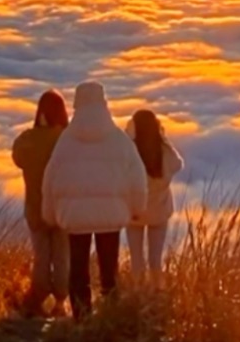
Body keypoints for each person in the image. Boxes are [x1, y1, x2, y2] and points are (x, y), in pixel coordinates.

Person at [40, 80, 148, 319]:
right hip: (111, 215)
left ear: (77, 104)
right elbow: (137, 176)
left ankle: (82, 318)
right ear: (104, 102)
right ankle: (110, 317)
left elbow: (50, 179)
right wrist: (137, 208)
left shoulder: (66, 141)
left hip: (75, 217)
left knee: (78, 271)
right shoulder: (119, 139)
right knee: (109, 271)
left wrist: (49, 214)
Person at [10, 89, 70, 316]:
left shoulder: (26, 140)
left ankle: (37, 298)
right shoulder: (68, 140)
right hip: (62, 208)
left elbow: (17, 158)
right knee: (63, 256)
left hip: (36, 208)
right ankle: (61, 303)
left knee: (41, 256)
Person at [125, 108, 183, 280]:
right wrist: (163, 137)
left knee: (137, 260)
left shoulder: (130, 152)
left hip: (135, 213)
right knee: (155, 261)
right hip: (159, 212)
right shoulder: (164, 151)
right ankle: (156, 292)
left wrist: (128, 135)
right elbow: (178, 165)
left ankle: (138, 294)